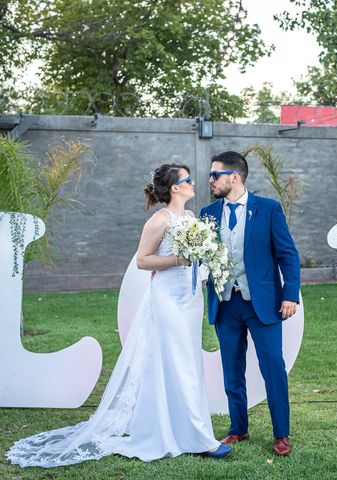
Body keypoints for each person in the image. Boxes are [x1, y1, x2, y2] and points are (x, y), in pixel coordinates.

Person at [6, 163, 231, 468]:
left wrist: (203, 261)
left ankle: (186, 430)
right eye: (188, 180)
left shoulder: (191, 217)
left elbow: (196, 256)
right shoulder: (158, 220)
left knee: (188, 362)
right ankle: (195, 437)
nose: (194, 184)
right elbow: (143, 261)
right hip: (166, 298)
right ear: (175, 188)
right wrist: (180, 258)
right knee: (175, 362)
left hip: (190, 298)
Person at [200, 151, 300, 456]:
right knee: (232, 370)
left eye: (215, 174)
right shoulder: (208, 213)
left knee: (273, 368)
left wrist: (289, 295)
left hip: (264, 305)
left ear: (235, 176)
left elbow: (288, 255)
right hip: (225, 304)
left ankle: (281, 434)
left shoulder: (268, 209)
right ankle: (238, 429)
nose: (211, 180)